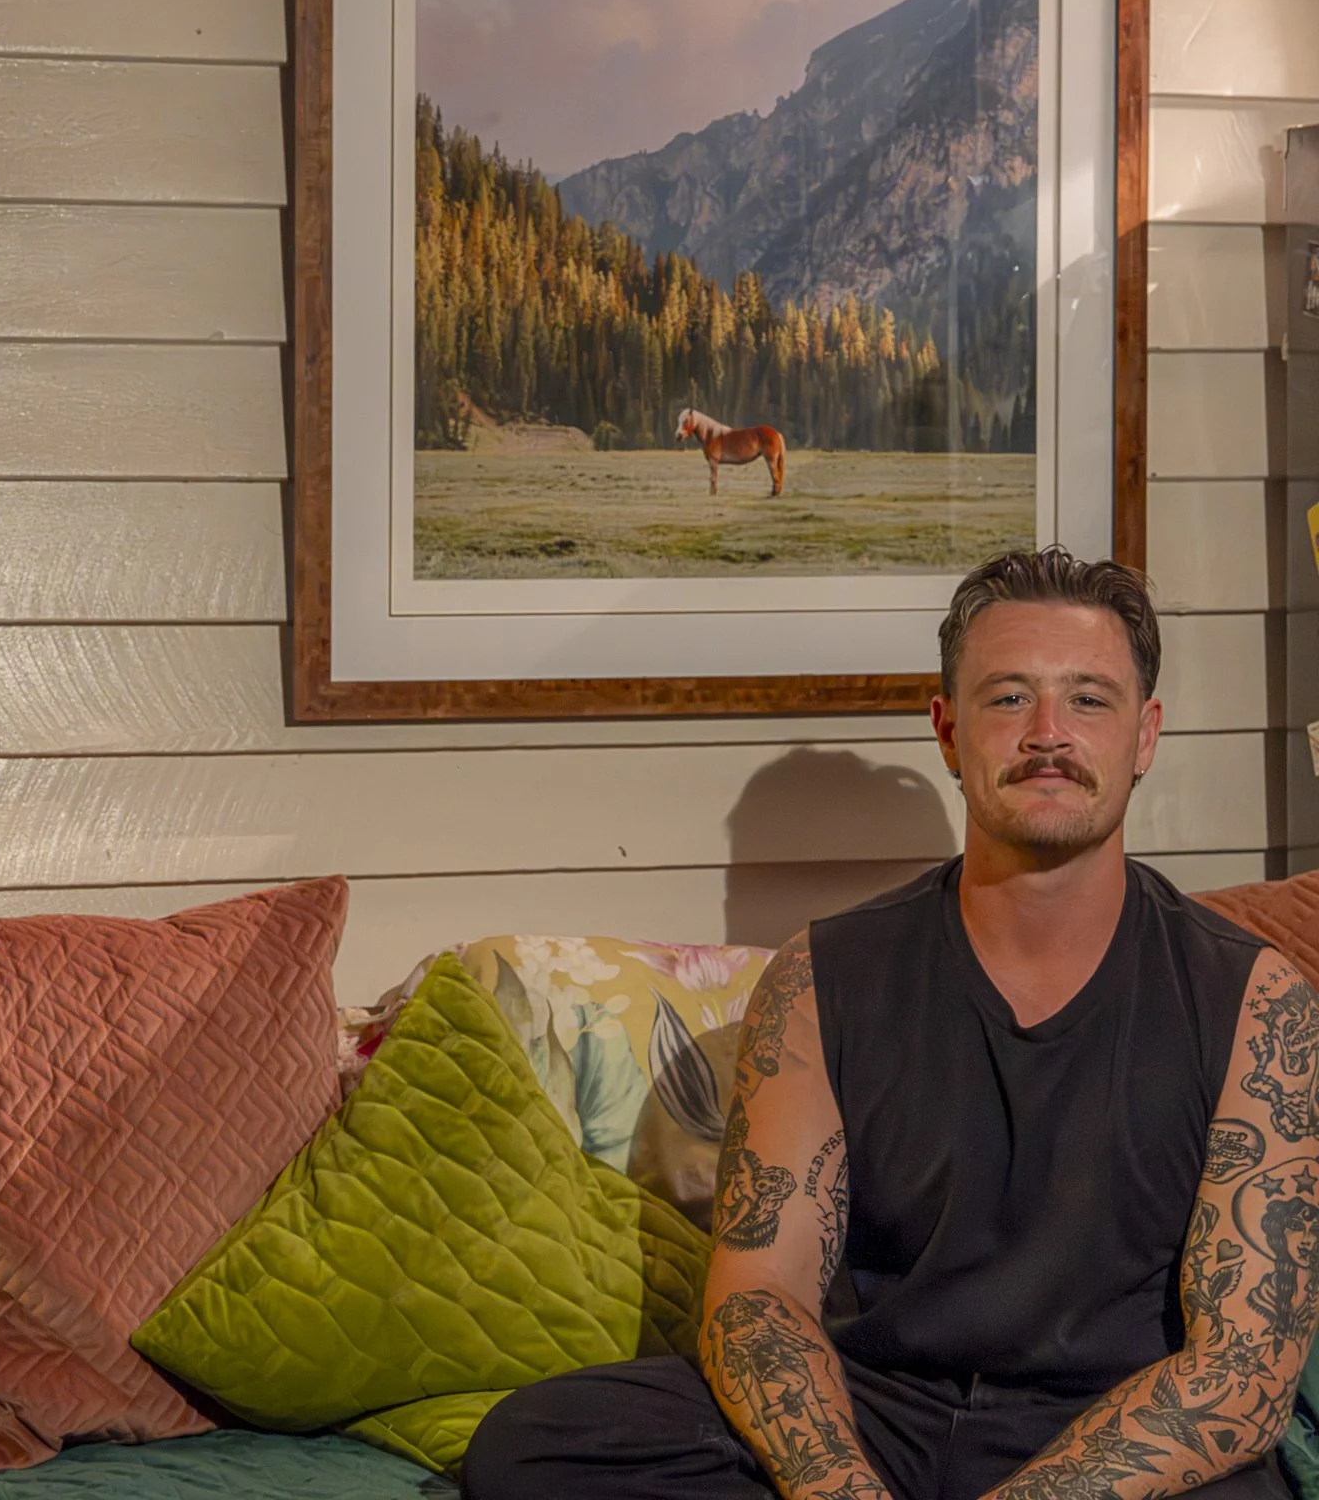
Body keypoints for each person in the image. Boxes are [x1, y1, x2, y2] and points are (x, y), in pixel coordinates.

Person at [461, 548, 1319, 1500]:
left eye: (1088, 699)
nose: (1047, 734)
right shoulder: (824, 978)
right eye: (1007, 699)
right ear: (948, 731)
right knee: (534, 1443)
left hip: (1116, 1435)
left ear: (1144, 734)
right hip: (880, 1412)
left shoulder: (1255, 999)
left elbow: (1245, 1366)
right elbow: (762, 1294)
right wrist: (840, 1489)